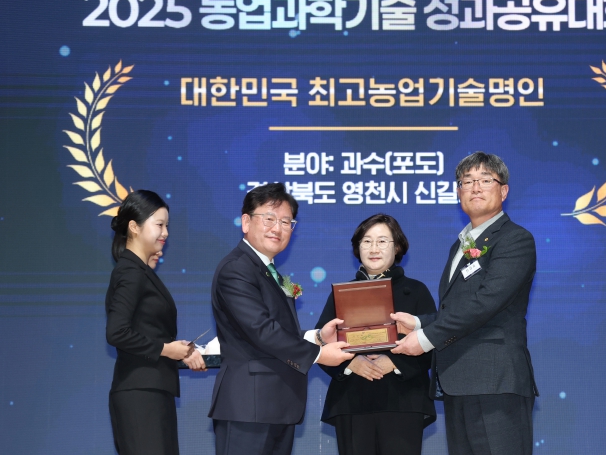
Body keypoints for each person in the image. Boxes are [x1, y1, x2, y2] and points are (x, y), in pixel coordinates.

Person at [392, 152, 539, 455]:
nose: (475, 187)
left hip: (495, 382)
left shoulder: (515, 239)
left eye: (485, 180)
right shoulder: (460, 245)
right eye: (467, 181)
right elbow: (458, 307)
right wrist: (419, 323)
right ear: (458, 192)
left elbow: (486, 302)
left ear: (504, 191)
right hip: (458, 380)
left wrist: (425, 338)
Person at [209, 182, 354, 455]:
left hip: (276, 405)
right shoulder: (237, 268)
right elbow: (261, 330)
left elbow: (278, 329)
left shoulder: (268, 271)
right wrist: (319, 355)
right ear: (245, 222)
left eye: (286, 222)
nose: (277, 228)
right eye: (269, 218)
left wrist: (317, 336)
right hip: (249, 407)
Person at [316, 214, 437, 455]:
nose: (373, 249)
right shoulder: (341, 293)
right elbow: (321, 342)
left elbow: (434, 341)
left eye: (382, 241)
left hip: (403, 399)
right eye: (367, 241)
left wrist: (394, 362)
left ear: (397, 246)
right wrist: (351, 364)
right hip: (352, 399)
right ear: (357, 247)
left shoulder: (416, 291)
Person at [106, 190, 205, 455]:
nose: (166, 233)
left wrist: (178, 350)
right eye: (160, 225)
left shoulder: (139, 271)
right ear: (134, 227)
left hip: (152, 390)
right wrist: (166, 349)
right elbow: (116, 332)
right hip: (140, 392)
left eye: (167, 226)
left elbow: (148, 328)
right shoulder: (130, 271)